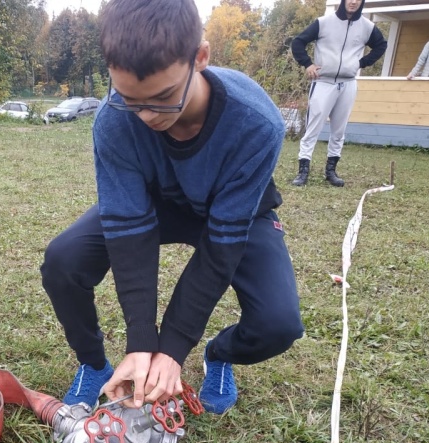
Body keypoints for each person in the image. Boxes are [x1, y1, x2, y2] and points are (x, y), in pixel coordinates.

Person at [40, 0, 303, 415]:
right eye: (130, 99)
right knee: (62, 260)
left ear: (200, 57)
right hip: (156, 203)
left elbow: (222, 245)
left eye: (161, 97)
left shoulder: (257, 122)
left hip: (234, 214)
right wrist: (142, 341)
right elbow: (128, 230)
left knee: (280, 324)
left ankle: (220, 355)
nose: (144, 115)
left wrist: (175, 347)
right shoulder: (113, 119)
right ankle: (93, 365)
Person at [290, 0, 387, 187]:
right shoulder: (323, 23)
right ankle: (303, 171)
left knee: (339, 130)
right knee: (313, 127)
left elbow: (381, 46)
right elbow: (298, 42)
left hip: (348, 83)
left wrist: (361, 63)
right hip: (323, 82)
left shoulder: (367, 27)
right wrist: (308, 64)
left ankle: (331, 171)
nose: (353, 2)